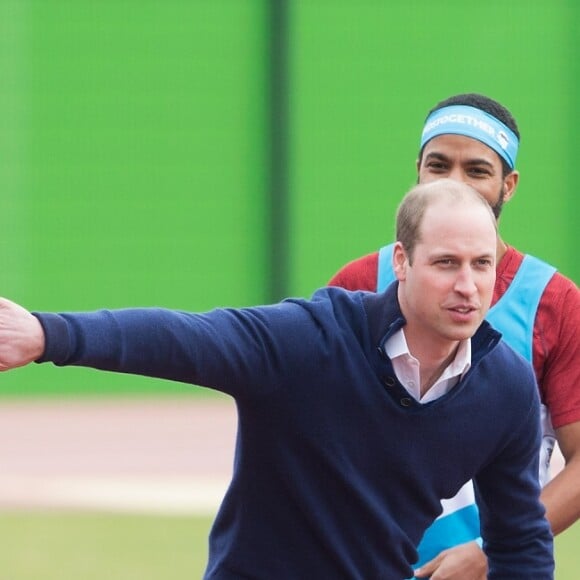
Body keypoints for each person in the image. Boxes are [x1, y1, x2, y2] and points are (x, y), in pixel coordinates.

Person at [0, 180, 554, 578]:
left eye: (482, 264)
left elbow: (521, 544)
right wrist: (46, 335)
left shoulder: (504, 386)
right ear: (403, 261)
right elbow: (184, 339)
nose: (468, 285)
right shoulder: (311, 340)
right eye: (447, 263)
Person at [329, 93, 580, 579]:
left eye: (478, 170)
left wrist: (491, 550)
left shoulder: (555, 303)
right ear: (417, 171)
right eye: (439, 165)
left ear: (509, 185)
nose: (455, 185)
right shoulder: (357, 284)